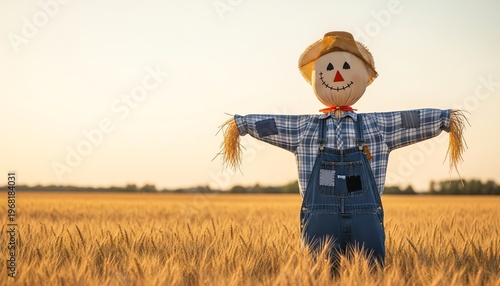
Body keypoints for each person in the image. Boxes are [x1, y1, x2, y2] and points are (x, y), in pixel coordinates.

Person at [219, 31, 467, 268]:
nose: (337, 75)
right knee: (318, 275)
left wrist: (443, 119)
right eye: (328, 69)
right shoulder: (306, 127)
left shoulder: (376, 126)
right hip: (323, 223)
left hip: (360, 222)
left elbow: (408, 119)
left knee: (369, 274)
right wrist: (242, 124)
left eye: (346, 67)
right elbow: (273, 125)